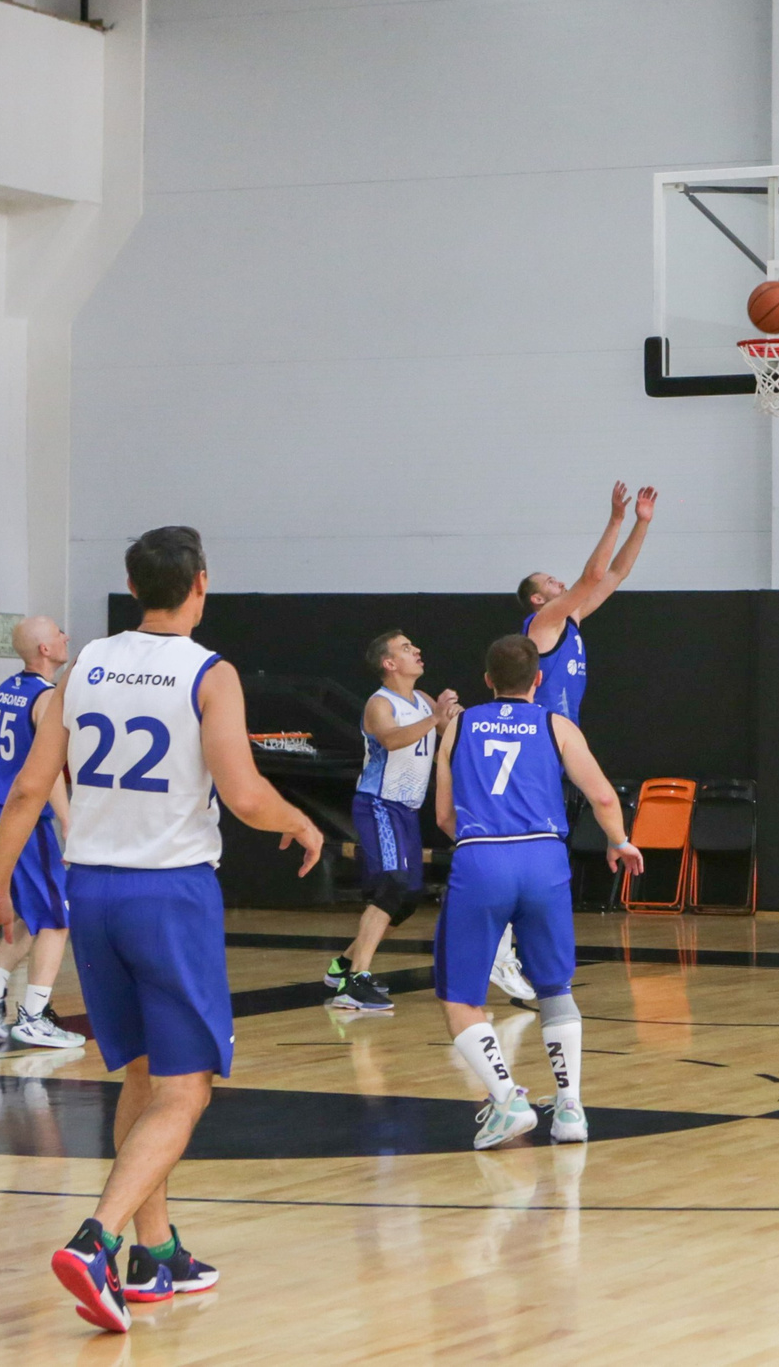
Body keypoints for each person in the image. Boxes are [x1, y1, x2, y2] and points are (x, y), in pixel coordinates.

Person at [0, 526, 325, 1334]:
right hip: (168, 892)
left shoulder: (85, 663)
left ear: (134, 588)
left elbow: (30, 786)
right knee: (187, 1086)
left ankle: (154, 1251)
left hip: (90, 888)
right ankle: (95, 1241)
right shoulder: (210, 671)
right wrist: (300, 822)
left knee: (139, 1071)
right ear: (201, 584)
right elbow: (242, 793)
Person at [434, 634, 641, 1149]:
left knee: (461, 996)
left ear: (487, 680)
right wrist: (619, 841)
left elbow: (442, 816)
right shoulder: (557, 725)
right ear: (539, 679)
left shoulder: (458, 725)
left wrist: (484, 842)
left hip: (481, 855)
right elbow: (599, 794)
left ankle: (507, 1101)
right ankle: (570, 1110)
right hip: (545, 858)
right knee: (555, 988)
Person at [486, 481, 657, 1000]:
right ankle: (500, 952)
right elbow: (592, 574)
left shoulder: (573, 620)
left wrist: (642, 523)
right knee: (531, 850)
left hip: (557, 744)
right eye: (550, 580)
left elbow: (617, 574)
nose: (562, 582)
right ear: (538, 598)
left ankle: (503, 947)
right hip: (532, 742)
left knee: (540, 850)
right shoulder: (543, 621)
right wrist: (613, 518)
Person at [0, 615, 86, 1049]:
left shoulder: (7, 689)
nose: (65, 636)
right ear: (45, 650)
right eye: (58, 633)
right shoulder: (45, 698)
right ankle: (33, 1015)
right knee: (58, 916)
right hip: (23, 818)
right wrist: (68, 820)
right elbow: (46, 771)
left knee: (30, 915)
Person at [323, 631, 459, 1013]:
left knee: (408, 897)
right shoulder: (379, 704)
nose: (416, 650)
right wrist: (435, 717)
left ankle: (344, 966)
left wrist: (457, 716)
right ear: (389, 663)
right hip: (379, 804)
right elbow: (392, 739)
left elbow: (451, 734)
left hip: (407, 810)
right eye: (405, 648)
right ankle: (354, 984)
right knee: (391, 885)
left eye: (414, 646)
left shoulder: (424, 701)